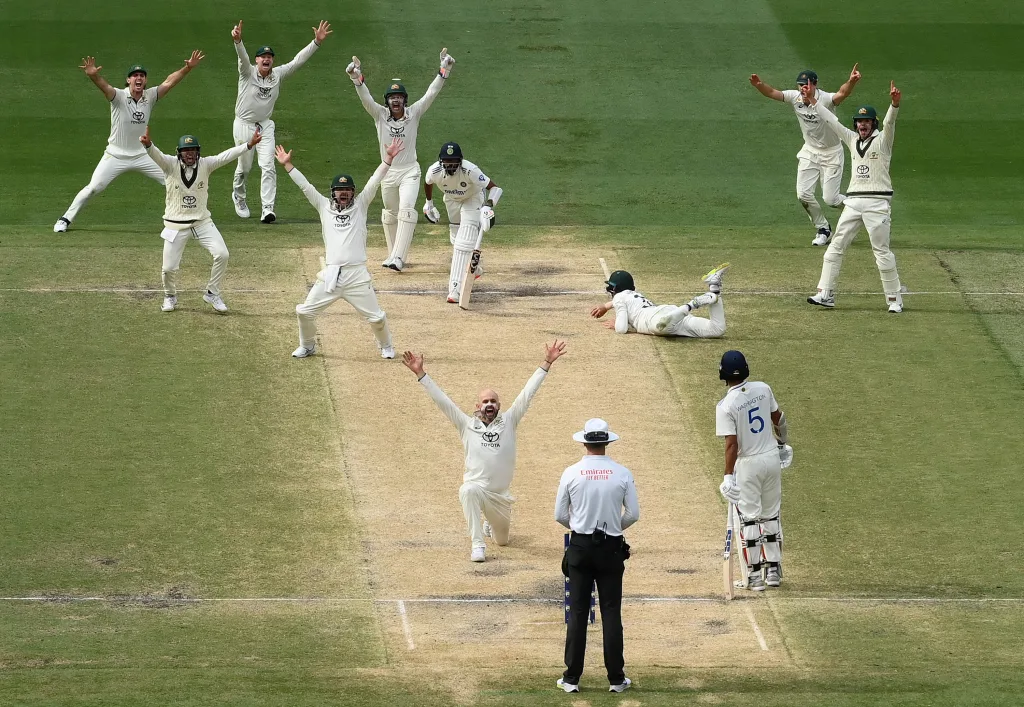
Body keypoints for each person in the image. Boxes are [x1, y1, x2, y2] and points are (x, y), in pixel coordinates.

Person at [401, 341, 566, 561]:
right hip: (477, 489)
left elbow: (528, 393)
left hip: (500, 497)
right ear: (478, 406)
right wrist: (421, 374)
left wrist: (546, 362)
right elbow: (443, 401)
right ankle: (477, 545)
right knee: (467, 490)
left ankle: (490, 522)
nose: (489, 404)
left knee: (502, 541)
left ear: (499, 405)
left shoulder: (509, 420)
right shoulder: (465, 424)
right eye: (485, 401)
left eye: (493, 401)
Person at [275, 139, 404, 360]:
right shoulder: (323, 206)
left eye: (347, 190)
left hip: (356, 275)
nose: (343, 194)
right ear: (333, 193)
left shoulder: (361, 205)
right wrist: (288, 165)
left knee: (376, 317)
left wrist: (389, 159)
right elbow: (306, 187)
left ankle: (386, 346)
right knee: (304, 312)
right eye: (339, 190)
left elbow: (374, 181)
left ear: (353, 192)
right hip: (331, 276)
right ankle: (307, 345)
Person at [54, 51, 205, 233]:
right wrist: (94, 75)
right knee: (93, 188)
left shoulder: (149, 97)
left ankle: (191, 217)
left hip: (142, 154)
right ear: (128, 80)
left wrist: (187, 67)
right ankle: (65, 219)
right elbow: (104, 86)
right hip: (115, 155)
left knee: (173, 181)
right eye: (135, 76)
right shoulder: (118, 97)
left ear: (145, 81)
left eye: (142, 76)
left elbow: (169, 82)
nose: (138, 78)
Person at [345, 48, 455, 271]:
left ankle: (398, 258)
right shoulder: (379, 115)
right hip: (388, 171)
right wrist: (355, 77)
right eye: (392, 98)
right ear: (387, 101)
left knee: (406, 210)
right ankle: (393, 255)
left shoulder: (414, 113)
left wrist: (444, 70)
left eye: (400, 97)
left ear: (405, 101)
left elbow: (430, 94)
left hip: (409, 171)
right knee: (390, 214)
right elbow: (365, 97)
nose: (396, 101)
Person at [554, 418, 639, 694]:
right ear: (606, 442)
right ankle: (616, 679)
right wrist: (613, 528)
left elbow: (560, 515)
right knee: (611, 612)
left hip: (580, 547)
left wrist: (580, 527)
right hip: (611, 548)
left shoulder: (571, 472)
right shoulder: (622, 473)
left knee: (578, 613)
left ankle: (571, 679)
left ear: (584, 442)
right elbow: (633, 514)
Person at [805, 82, 905, 313]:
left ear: (873, 124)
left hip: (877, 203)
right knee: (835, 246)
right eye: (860, 122)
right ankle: (825, 294)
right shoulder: (851, 140)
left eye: (867, 121)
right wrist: (812, 101)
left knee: (881, 251)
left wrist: (894, 104)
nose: (862, 125)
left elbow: (890, 123)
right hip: (853, 202)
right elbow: (831, 121)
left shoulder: (882, 141)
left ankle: (894, 299)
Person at [140, 127, 262, 314]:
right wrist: (148, 145)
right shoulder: (169, 165)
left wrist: (249, 145)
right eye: (186, 151)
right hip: (175, 225)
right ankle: (170, 296)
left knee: (222, 254)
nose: (190, 154)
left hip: (202, 222)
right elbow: (156, 155)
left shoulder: (206, 164)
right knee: (168, 268)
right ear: (179, 153)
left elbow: (225, 156)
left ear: (198, 152)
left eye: (193, 150)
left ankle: (212, 293)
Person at [230, 19, 331, 223]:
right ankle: (239, 197)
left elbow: (297, 61)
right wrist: (238, 41)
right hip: (243, 124)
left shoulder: (277, 75)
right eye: (263, 57)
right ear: (257, 60)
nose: (267, 60)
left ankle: (268, 209)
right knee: (245, 168)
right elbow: (242, 58)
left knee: (268, 165)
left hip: (265, 125)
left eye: (270, 57)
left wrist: (316, 42)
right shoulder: (247, 73)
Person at [749, 66, 861, 245]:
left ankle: (859, 208)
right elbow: (771, 92)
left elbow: (842, 94)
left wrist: (852, 81)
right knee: (803, 195)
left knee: (831, 199)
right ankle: (823, 228)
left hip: (831, 153)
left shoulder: (825, 99)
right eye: (800, 85)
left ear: (815, 85)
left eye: (806, 84)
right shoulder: (795, 98)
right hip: (810, 151)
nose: (803, 88)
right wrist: (759, 85)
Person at [716, 351, 791, 591]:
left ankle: (755, 576)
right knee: (770, 515)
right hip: (770, 459)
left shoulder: (726, 405)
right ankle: (774, 572)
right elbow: (778, 418)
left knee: (749, 519)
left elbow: (732, 444)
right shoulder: (763, 388)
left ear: (722, 374)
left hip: (747, 464)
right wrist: (782, 444)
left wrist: (728, 476)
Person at [422, 142, 502, 302]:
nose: (450, 165)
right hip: (451, 200)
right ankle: (475, 269)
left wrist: (489, 205)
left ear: (460, 161)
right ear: (441, 161)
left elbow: (495, 188)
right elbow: (428, 182)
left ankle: (455, 290)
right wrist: (429, 203)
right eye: (446, 161)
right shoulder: (434, 171)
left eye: (453, 161)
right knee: (456, 240)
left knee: (463, 242)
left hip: (472, 199)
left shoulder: (470, 170)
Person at [590, 264, 729, 338]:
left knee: (659, 328)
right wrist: (606, 306)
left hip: (658, 320)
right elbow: (619, 302)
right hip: (671, 314)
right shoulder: (633, 295)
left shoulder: (620, 298)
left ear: (616, 289)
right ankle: (714, 287)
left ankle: (693, 304)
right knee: (717, 330)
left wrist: (617, 324)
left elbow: (621, 329)